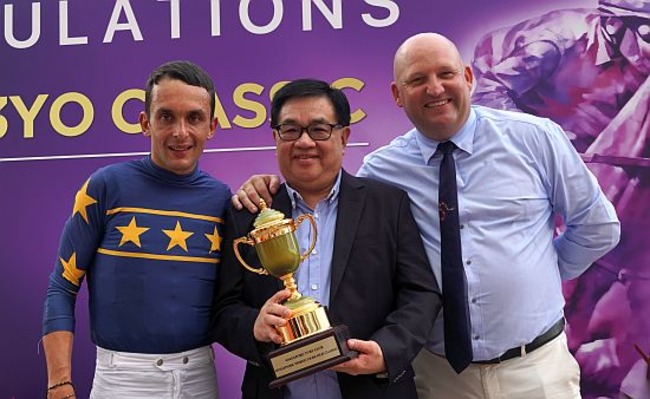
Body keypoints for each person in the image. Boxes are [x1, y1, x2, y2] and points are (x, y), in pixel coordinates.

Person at [233, 33, 621, 398]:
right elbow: (325, 191)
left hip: (535, 367)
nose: (435, 88)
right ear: (397, 95)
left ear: (468, 78)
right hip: (437, 375)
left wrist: (542, 271)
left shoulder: (535, 138)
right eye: (417, 79)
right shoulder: (380, 172)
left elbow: (597, 226)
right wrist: (267, 188)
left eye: (446, 74)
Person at [211, 78, 441, 399]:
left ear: (344, 137)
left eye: (319, 130)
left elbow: (421, 293)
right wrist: (254, 325)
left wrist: (385, 351)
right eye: (290, 130)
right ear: (275, 137)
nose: (304, 142)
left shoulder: (388, 204)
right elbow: (223, 309)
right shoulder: (247, 214)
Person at [471, 2, 650, 394]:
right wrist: (542, 156)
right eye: (649, 37)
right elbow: (486, 94)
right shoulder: (557, 38)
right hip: (510, 105)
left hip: (580, 124)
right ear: (614, 26)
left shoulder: (636, 59)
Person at [41, 60, 231, 399]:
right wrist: (59, 381)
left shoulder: (223, 199)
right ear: (145, 122)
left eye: (194, 118)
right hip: (121, 381)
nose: (180, 132)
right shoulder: (104, 186)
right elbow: (62, 285)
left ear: (212, 126)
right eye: (166, 116)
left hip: (201, 377)